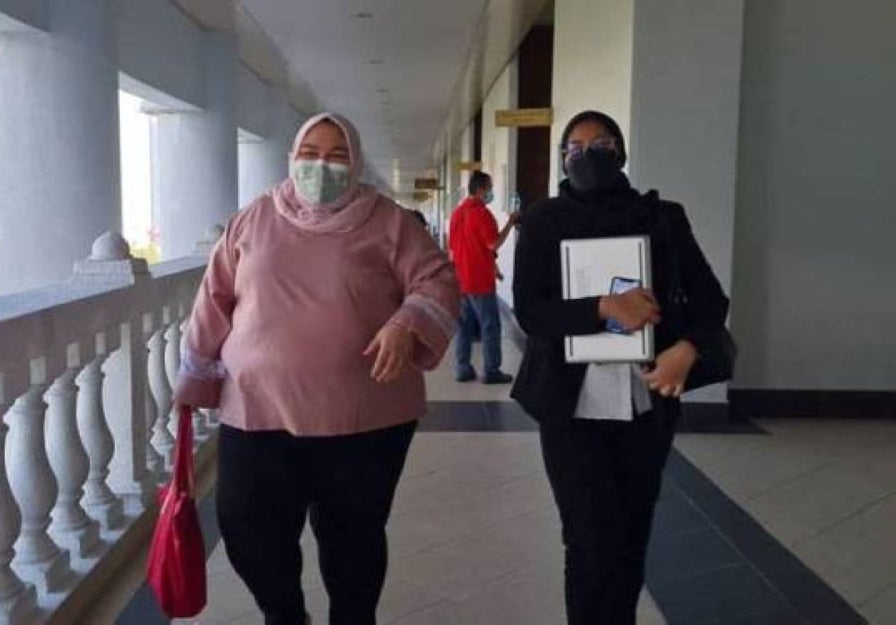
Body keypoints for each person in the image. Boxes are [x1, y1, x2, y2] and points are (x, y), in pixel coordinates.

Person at [173, 112, 460, 625]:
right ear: (291, 157)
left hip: (364, 417)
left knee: (353, 539)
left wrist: (407, 322)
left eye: (336, 155)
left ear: (356, 161)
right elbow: (213, 300)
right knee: (247, 531)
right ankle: (286, 616)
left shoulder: (387, 220)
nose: (320, 166)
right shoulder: (254, 218)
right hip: (257, 410)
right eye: (310, 153)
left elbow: (437, 279)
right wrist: (195, 378)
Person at [511, 110, 729, 625]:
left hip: (645, 398)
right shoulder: (543, 221)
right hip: (570, 404)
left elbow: (709, 299)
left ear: (622, 152)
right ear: (562, 159)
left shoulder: (663, 218)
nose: (587, 155)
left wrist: (688, 348)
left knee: (632, 529)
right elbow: (530, 311)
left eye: (601, 143)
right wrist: (602, 308)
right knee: (587, 537)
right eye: (575, 147)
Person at [448, 170, 519, 383]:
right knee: (490, 326)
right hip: (479, 280)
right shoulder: (481, 214)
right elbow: (493, 243)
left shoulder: (457, 213)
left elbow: (463, 247)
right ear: (480, 189)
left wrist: (494, 266)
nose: (491, 192)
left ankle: (463, 368)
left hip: (459, 279)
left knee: (464, 326)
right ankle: (491, 371)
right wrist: (511, 223)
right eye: (489, 188)